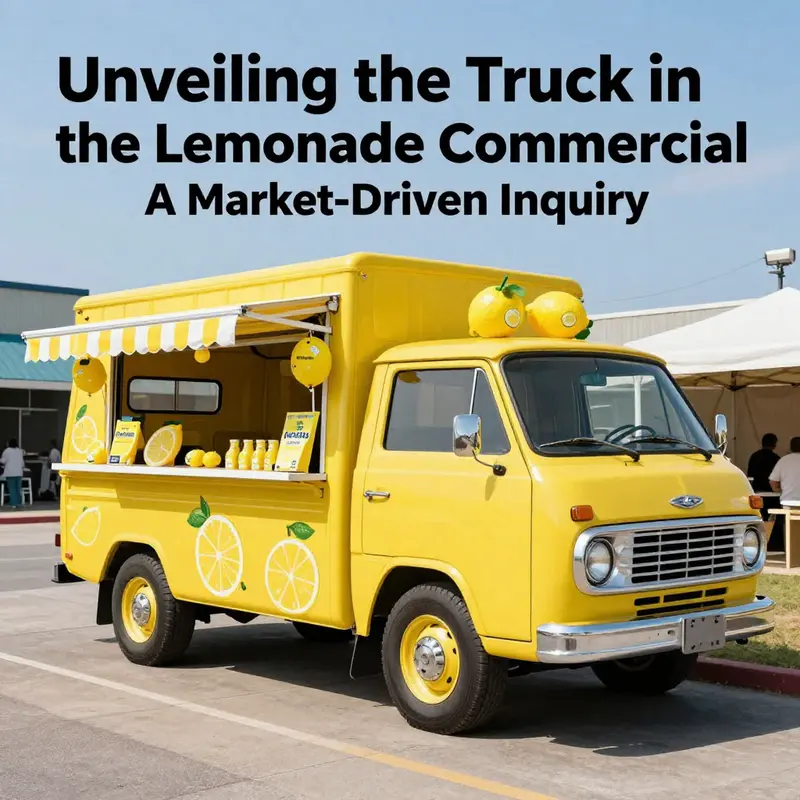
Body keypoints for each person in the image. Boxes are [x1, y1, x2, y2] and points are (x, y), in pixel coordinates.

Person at [768, 437, 800, 552]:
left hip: (788, 502)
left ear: (790, 447)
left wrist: (779, 490)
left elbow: (773, 481)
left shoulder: (784, 460)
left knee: (786, 526)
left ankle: (787, 549)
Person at [0, 439, 25, 509]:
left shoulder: (7, 451)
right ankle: (19, 503)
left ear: (9, 444)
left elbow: (3, 461)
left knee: (12, 488)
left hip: (10, 472)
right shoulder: (19, 451)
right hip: (19, 472)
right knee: (18, 488)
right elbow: (22, 463)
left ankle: (13, 503)